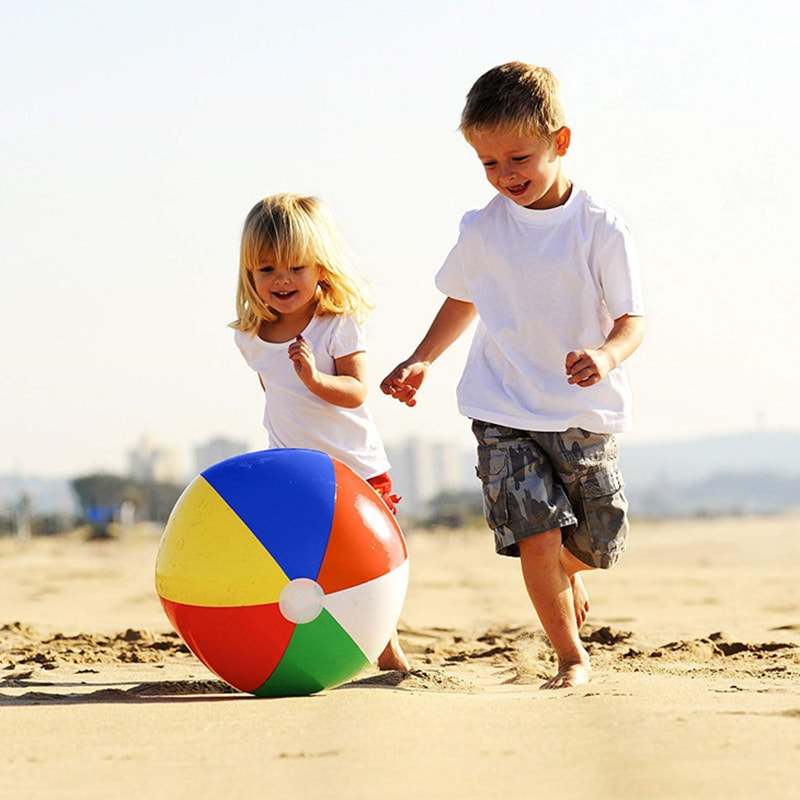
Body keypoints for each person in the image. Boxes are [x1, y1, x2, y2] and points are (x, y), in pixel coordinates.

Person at [380, 62, 645, 689]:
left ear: (561, 141)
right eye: (489, 165)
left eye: (519, 158)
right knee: (536, 534)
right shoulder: (483, 228)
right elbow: (463, 297)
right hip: (502, 407)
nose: (506, 177)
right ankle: (570, 654)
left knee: (602, 538)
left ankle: (565, 570)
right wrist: (422, 357)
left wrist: (605, 356)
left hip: (582, 410)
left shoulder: (599, 228)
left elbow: (633, 320)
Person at [231, 192, 409, 672]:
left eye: (295, 267)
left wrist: (314, 379)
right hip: (296, 473)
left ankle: (386, 645)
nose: (281, 280)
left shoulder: (335, 324)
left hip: (356, 468)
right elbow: (276, 400)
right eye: (266, 269)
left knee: (369, 562)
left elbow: (355, 390)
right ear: (250, 275)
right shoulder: (249, 338)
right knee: (304, 565)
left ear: (321, 268)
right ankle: (302, 643)